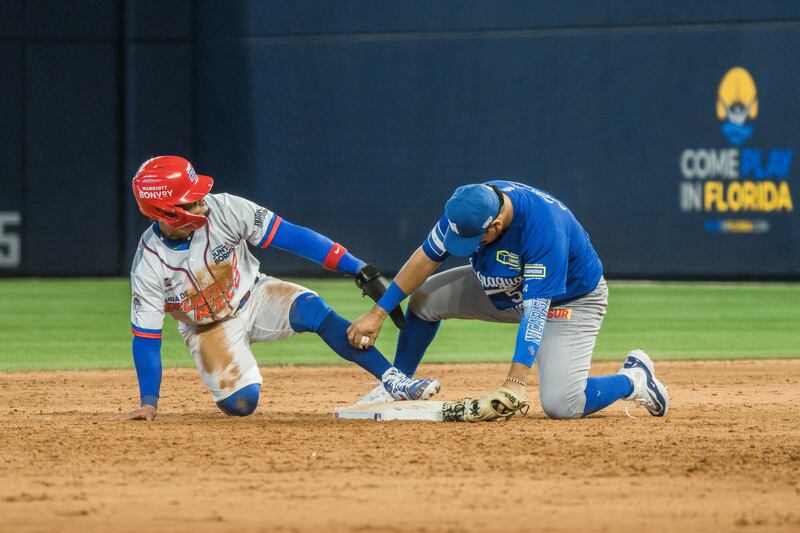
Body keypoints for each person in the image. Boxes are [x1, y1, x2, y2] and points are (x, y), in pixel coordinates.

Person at [115, 155, 439, 421]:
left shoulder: (226, 209)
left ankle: (394, 380)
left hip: (254, 294)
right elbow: (146, 339)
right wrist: (149, 402)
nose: (202, 203)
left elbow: (293, 236)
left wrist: (357, 267)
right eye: (191, 201)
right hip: (205, 328)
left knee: (314, 310)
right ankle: (230, 382)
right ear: (164, 212)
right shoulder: (149, 266)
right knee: (241, 404)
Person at [347, 180, 668, 420]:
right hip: (503, 286)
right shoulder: (468, 207)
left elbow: (536, 311)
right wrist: (378, 312)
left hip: (568, 301)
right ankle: (396, 387)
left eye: (474, 240)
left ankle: (635, 378)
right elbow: (424, 259)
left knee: (563, 405)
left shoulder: (543, 229)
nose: (465, 245)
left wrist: (515, 382)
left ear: (496, 225)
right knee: (426, 297)